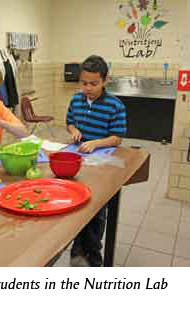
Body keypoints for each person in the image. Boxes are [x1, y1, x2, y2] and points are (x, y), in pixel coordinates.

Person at [66, 55, 127, 267]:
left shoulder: (114, 105)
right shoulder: (75, 99)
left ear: (105, 81)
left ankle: (93, 253)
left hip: (102, 164)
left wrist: (96, 143)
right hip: (79, 161)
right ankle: (78, 249)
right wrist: (74, 131)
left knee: (97, 208)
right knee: (78, 203)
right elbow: (70, 122)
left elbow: (117, 137)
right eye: (84, 83)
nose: (88, 88)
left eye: (94, 83)